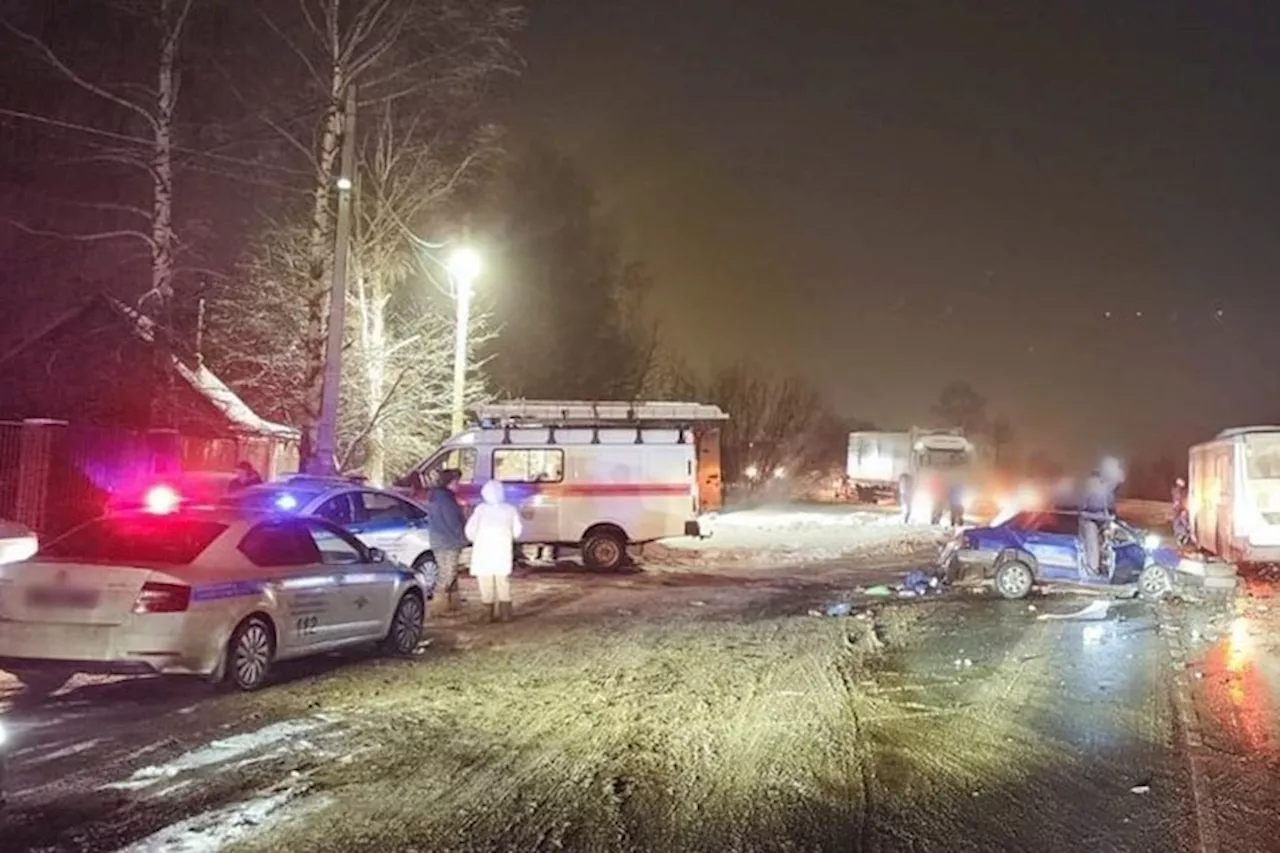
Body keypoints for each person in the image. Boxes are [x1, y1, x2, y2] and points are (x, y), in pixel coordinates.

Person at [464, 479, 522, 622]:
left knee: (485, 583)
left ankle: (487, 614)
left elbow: (470, 531)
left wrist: (474, 539)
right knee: (503, 582)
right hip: (502, 551)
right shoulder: (510, 509)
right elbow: (517, 531)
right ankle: (506, 613)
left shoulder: (481, 510)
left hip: (483, 553)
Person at [426, 469, 468, 614]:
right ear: (449, 482)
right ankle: (438, 606)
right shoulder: (446, 500)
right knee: (447, 573)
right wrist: (463, 536)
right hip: (449, 541)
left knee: (450, 572)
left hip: (439, 540)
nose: (458, 484)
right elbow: (453, 522)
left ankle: (451, 603)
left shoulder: (437, 497)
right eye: (456, 481)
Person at [1079, 471, 1112, 576]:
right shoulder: (1085, 494)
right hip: (1089, 522)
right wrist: (1099, 516)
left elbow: (1107, 510)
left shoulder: (1104, 494)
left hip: (1102, 521)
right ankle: (1092, 569)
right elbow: (1082, 512)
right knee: (1092, 541)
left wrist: (1108, 520)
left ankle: (1105, 566)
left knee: (1109, 542)